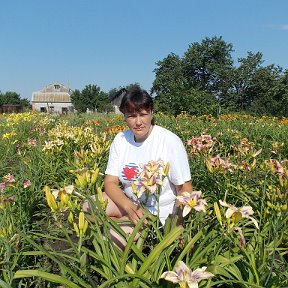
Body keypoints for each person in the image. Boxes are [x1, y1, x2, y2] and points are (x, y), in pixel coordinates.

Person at [84, 86, 192, 248]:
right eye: (132, 116)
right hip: (130, 203)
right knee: (88, 207)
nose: (138, 122)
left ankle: (134, 240)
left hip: (158, 213)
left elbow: (185, 189)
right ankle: (124, 226)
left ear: (151, 113)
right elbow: (110, 183)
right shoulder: (121, 140)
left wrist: (175, 227)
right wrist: (128, 206)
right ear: (124, 116)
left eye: (143, 115)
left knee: (111, 238)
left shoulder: (169, 141)